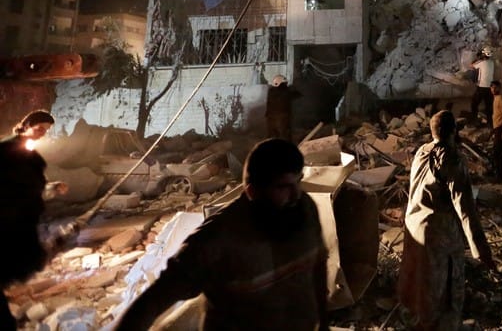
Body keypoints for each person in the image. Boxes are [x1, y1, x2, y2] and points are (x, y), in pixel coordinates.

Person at [114, 138, 329, 331]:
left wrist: (324, 322)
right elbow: (152, 302)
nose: (296, 195)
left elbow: (318, 267)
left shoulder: (305, 210)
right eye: (283, 187)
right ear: (252, 191)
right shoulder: (218, 240)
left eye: (298, 181)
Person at [398, 110, 494, 330]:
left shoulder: (422, 151)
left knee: (421, 283)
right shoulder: (451, 159)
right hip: (439, 232)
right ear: (453, 131)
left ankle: (419, 322)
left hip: (415, 226)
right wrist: (481, 250)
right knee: (445, 289)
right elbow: (465, 208)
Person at [0, 111, 68, 331]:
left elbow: (32, 187)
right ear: (26, 125)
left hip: (21, 220)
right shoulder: (8, 150)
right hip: (8, 221)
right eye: (39, 129)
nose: (42, 134)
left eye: (45, 131)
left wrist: (51, 187)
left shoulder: (28, 153)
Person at [266, 74, 300, 141]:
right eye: (285, 83)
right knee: (285, 135)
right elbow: (296, 95)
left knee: (272, 134)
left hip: (270, 117)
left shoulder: (271, 91)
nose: (286, 84)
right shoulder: (285, 91)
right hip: (282, 117)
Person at [470, 46, 496, 122]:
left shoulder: (481, 63)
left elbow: (471, 65)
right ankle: (490, 122)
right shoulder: (492, 63)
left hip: (481, 87)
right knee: (489, 106)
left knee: (474, 103)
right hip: (490, 87)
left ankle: (474, 119)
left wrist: (477, 59)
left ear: (484, 55)